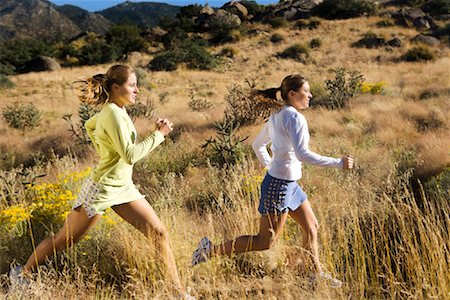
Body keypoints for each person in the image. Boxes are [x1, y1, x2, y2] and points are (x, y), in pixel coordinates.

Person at [10, 64, 186, 295]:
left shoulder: (119, 110)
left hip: (123, 187)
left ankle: (177, 292)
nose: (137, 90)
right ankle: (21, 276)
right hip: (101, 189)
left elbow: (89, 125)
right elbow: (130, 155)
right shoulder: (112, 113)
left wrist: (106, 150)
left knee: (159, 233)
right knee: (65, 240)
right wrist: (159, 135)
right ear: (115, 87)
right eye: (132, 85)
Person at [191, 74, 353, 288]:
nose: (310, 95)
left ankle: (313, 275)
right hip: (279, 186)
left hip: (289, 185)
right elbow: (302, 154)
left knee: (311, 226)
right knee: (264, 242)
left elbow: (258, 145)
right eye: (306, 91)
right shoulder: (294, 118)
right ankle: (208, 250)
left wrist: (273, 166)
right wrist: (338, 163)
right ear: (292, 94)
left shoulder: (277, 117)